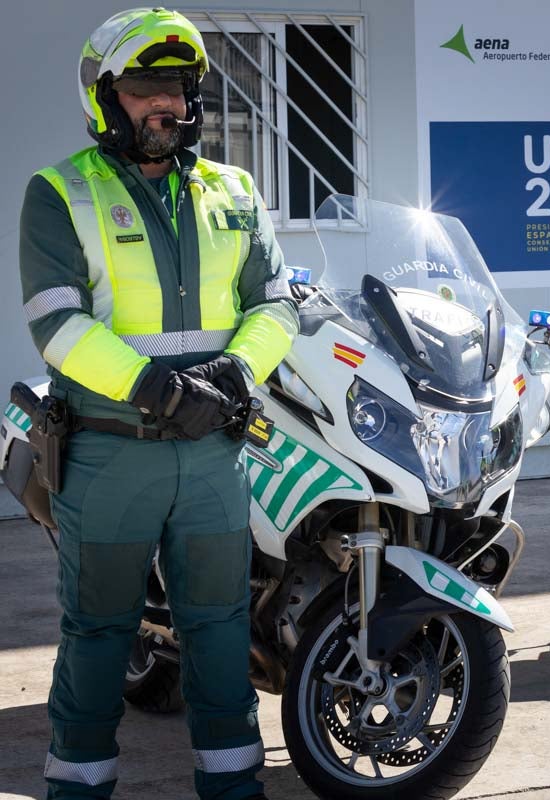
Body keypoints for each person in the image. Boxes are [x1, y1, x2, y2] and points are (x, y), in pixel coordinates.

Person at [19, 8, 297, 799]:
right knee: (100, 638)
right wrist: (158, 388)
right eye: (144, 85)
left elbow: (276, 305)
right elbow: (57, 323)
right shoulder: (59, 193)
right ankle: (77, 789)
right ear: (105, 96)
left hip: (213, 454)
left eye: (175, 84)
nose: (163, 103)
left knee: (218, 636)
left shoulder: (234, 191)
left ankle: (236, 789)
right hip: (110, 455)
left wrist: (237, 379)